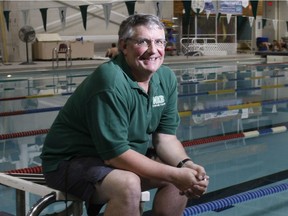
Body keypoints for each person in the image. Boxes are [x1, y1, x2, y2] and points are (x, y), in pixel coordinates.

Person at [41, 14, 209, 216]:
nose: (153, 50)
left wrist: (185, 166)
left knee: (182, 175)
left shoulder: (165, 78)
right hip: (69, 162)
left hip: (118, 158)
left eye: (159, 42)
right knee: (128, 184)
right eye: (143, 42)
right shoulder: (110, 80)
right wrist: (175, 174)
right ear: (124, 46)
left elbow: (165, 137)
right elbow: (116, 156)